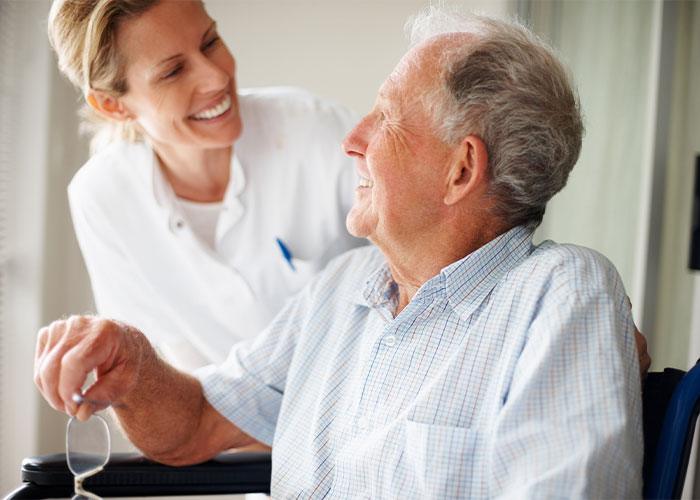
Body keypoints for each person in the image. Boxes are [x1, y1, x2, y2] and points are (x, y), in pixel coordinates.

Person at [36, 9, 645, 498]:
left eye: (384, 119)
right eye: (172, 70)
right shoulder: (341, 289)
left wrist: (602, 327)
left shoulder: (558, 295)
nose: (351, 140)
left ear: (461, 169)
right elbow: (194, 424)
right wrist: (132, 364)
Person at [48, 0, 364, 370]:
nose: (217, 77)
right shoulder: (102, 198)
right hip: (235, 417)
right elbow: (169, 365)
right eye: (174, 71)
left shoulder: (312, 128)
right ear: (113, 106)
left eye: (210, 41)